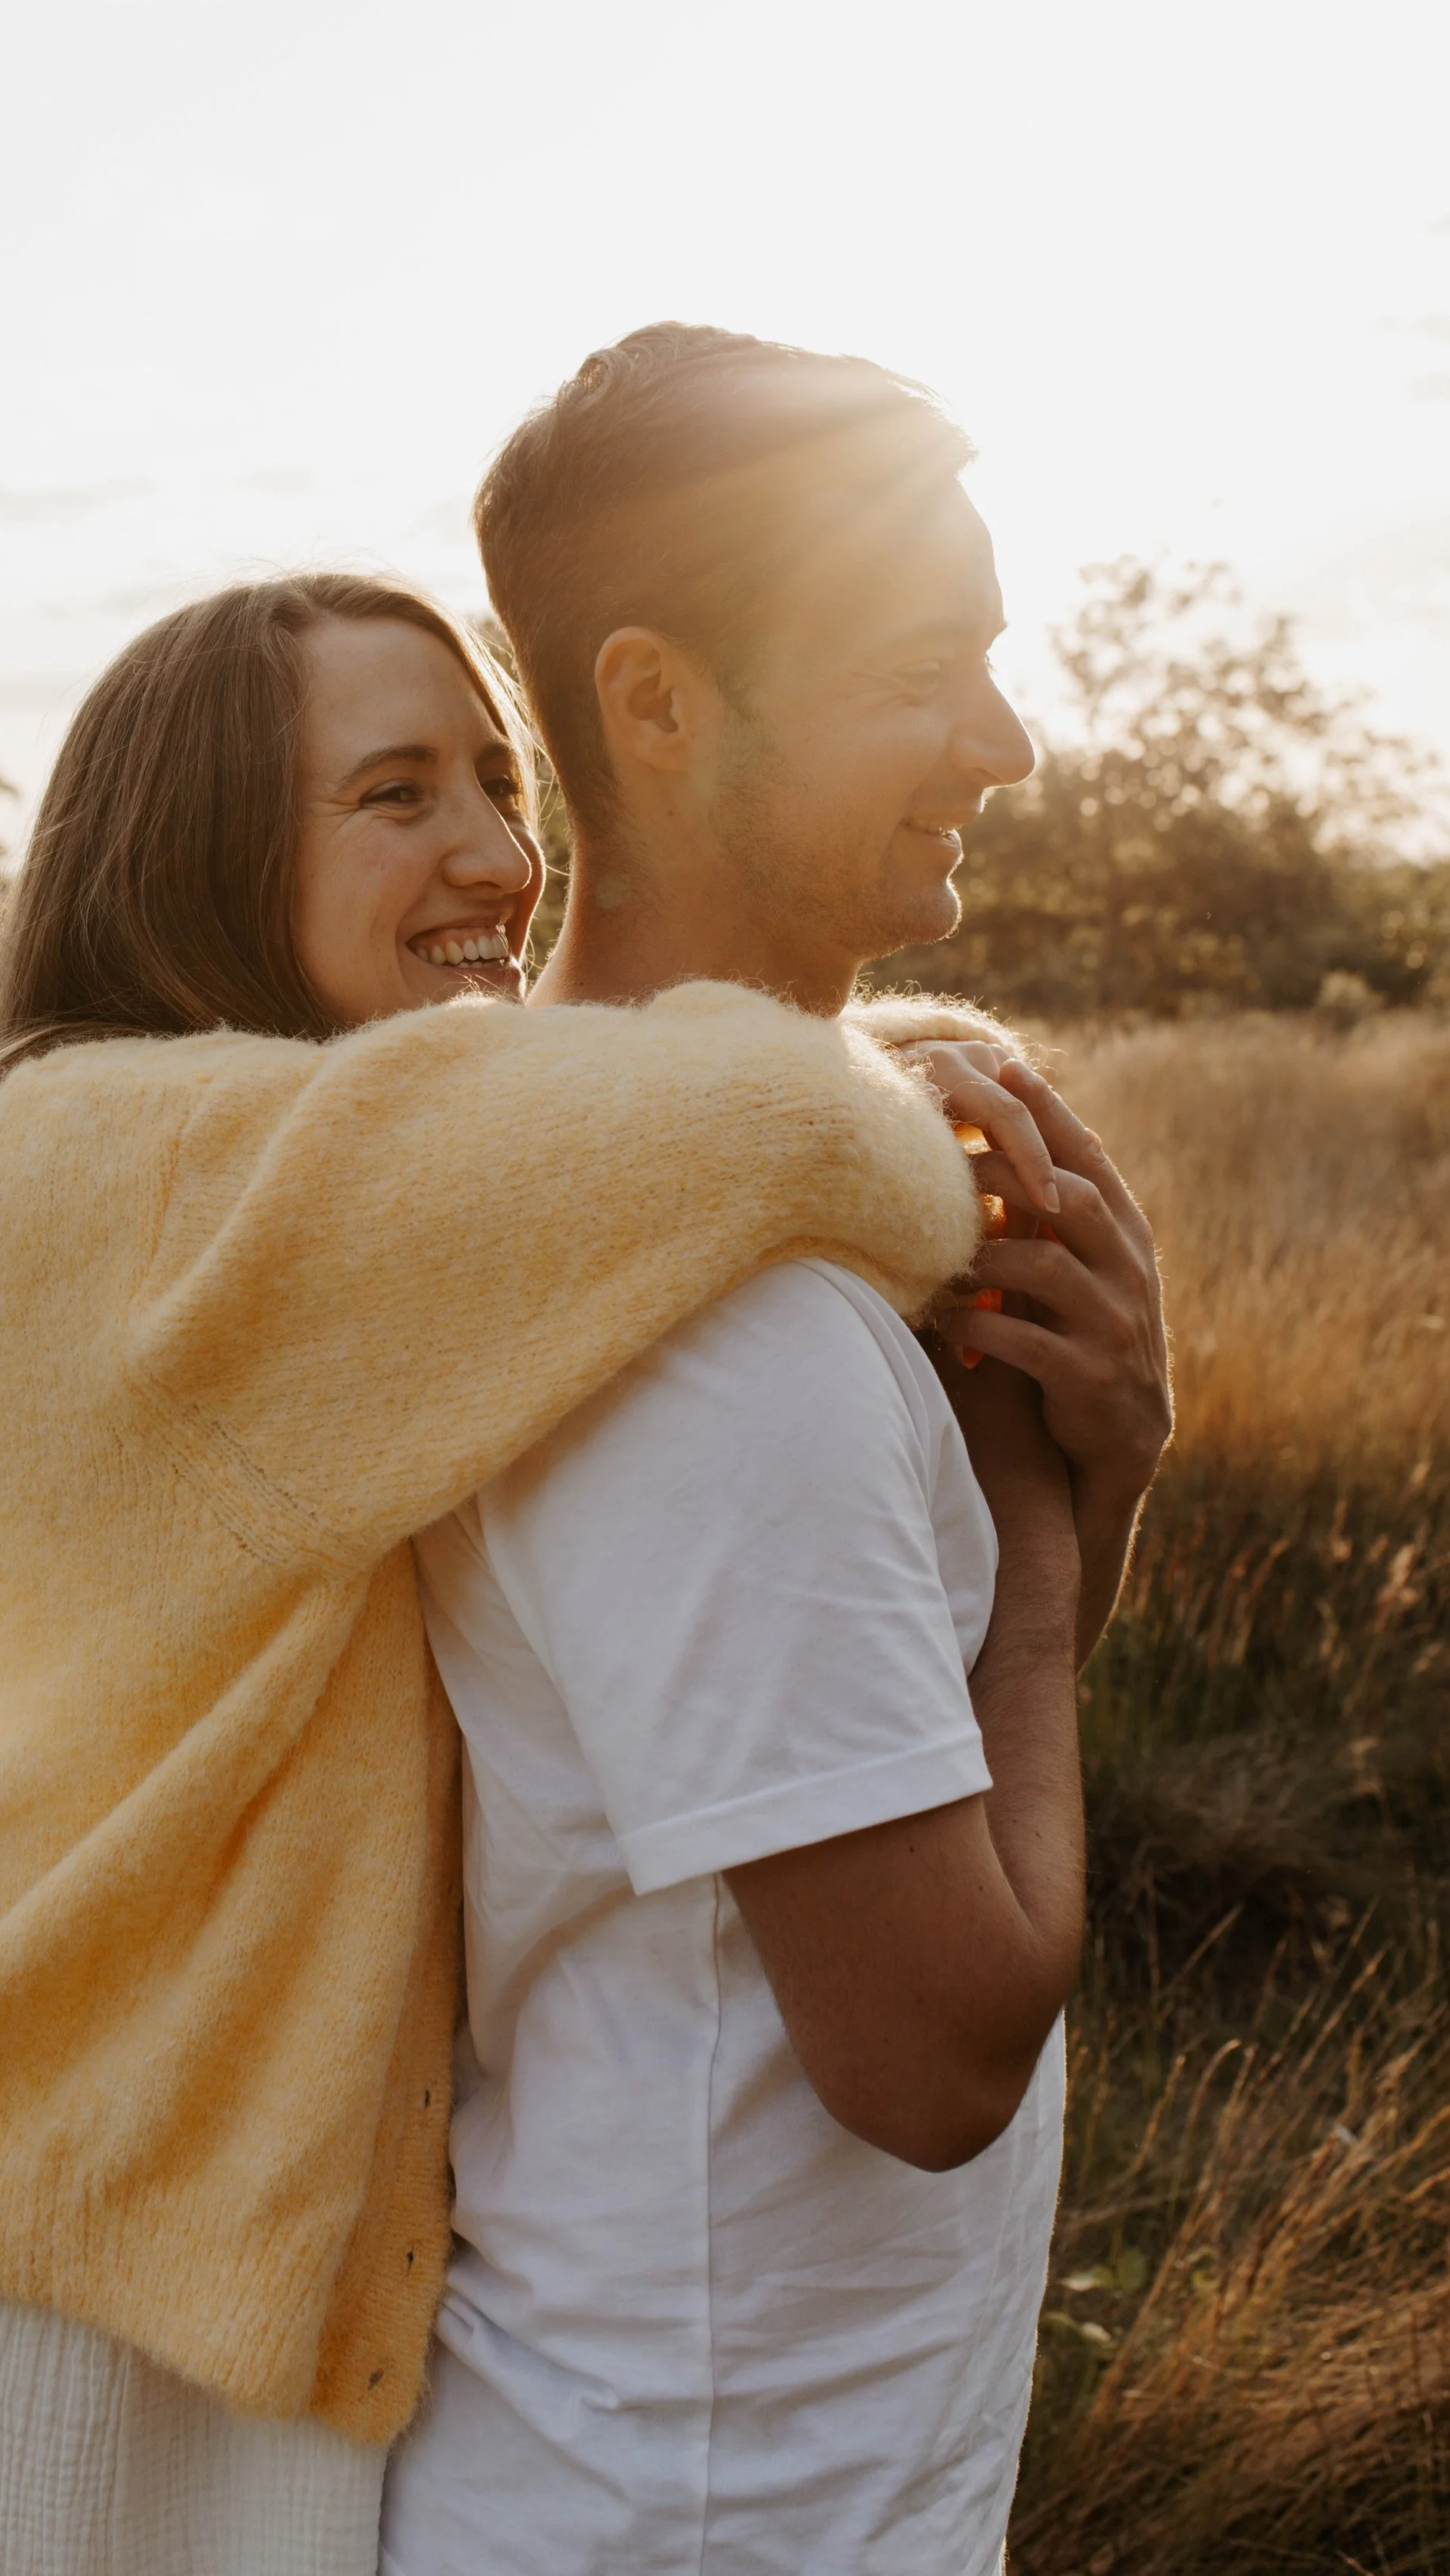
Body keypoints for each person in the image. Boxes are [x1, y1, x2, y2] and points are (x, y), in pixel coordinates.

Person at [0, 569, 1050, 2576]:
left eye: (499, 775)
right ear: (200, 851)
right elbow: (744, 1121)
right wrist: (932, 1087)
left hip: (258, 2312)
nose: (494, 848)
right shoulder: (82, 1145)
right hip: (38, 2306)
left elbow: (602, 1119)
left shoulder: (331, 1229)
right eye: (394, 791)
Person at [379, 327, 1174, 2576]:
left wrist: (1071, 1495)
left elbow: (847, 1773)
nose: (1001, 742)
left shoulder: (616, 1193)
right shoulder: (722, 1319)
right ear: (654, 702)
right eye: (921, 665)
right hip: (691, 2509)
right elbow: (926, 2059)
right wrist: (1038, 1513)